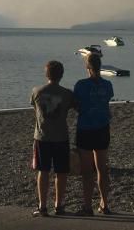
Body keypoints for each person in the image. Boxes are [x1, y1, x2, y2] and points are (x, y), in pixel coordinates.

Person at [30, 60, 76, 217]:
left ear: (46, 74)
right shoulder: (67, 94)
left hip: (42, 137)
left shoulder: (36, 91)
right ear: (61, 75)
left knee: (43, 171)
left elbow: (35, 108)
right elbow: (76, 107)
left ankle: (43, 206)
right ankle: (59, 205)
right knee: (61, 172)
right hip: (61, 137)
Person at [74, 53, 114, 216]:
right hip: (102, 127)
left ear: (87, 67)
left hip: (86, 128)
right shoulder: (107, 84)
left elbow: (76, 105)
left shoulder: (81, 85)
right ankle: (104, 203)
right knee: (102, 168)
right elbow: (106, 102)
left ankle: (87, 206)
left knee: (87, 171)